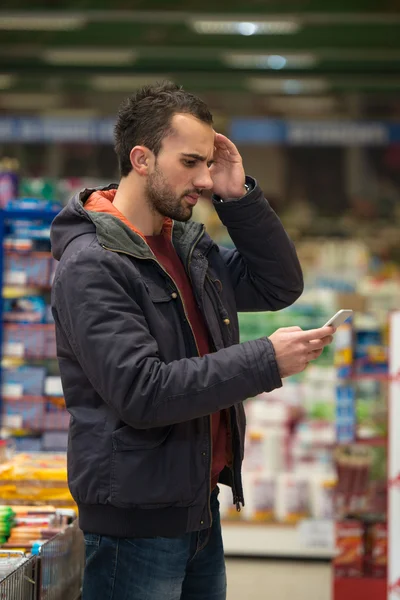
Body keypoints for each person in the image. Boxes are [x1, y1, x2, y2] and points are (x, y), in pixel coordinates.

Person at [50, 81, 334, 600]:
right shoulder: (93, 264)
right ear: (141, 158)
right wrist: (264, 360)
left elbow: (279, 285)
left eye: (208, 163)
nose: (203, 178)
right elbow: (143, 391)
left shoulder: (186, 247)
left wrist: (238, 196)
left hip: (196, 504)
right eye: (190, 162)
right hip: (136, 522)